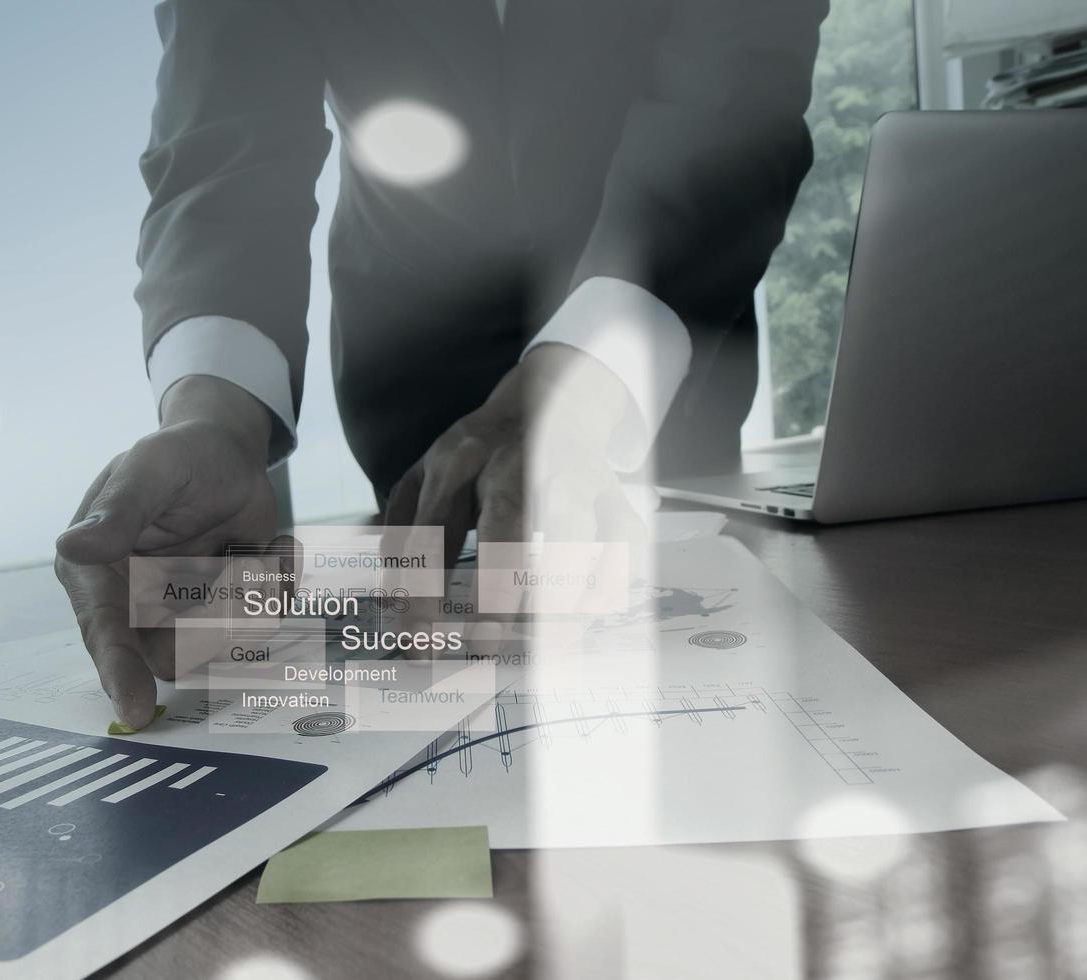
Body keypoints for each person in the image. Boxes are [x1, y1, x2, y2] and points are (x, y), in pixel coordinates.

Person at [56, 0, 826, 728]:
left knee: (679, 677)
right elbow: (225, 145)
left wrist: (584, 380)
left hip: (660, 345)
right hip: (412, 368)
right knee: (438, 689)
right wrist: (213, 417)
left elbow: (735, 91)